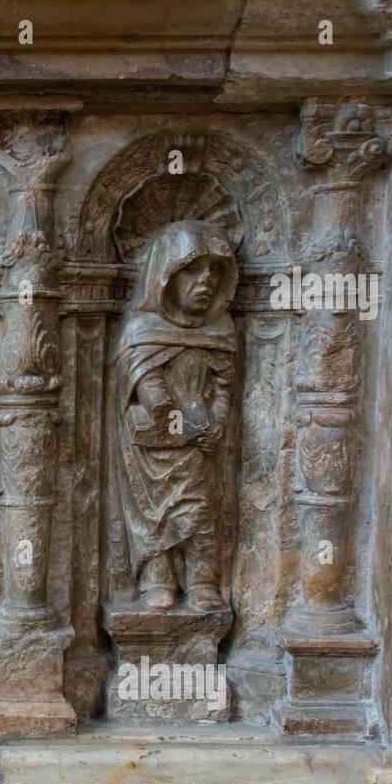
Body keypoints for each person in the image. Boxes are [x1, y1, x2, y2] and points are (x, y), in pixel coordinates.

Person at [112, 220, 238, 612]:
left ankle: (203, 581)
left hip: (200, 441)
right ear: (165, 276)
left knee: (200, 509)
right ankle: (157, 579)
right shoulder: (142, 330)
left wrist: (216, 420)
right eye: (193, 270)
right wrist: (182, 425)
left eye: (214, 272)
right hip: (156, 445)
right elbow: (151, 391)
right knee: (154, 514)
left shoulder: (219, 330)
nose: (205, 281)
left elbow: (223, 386)